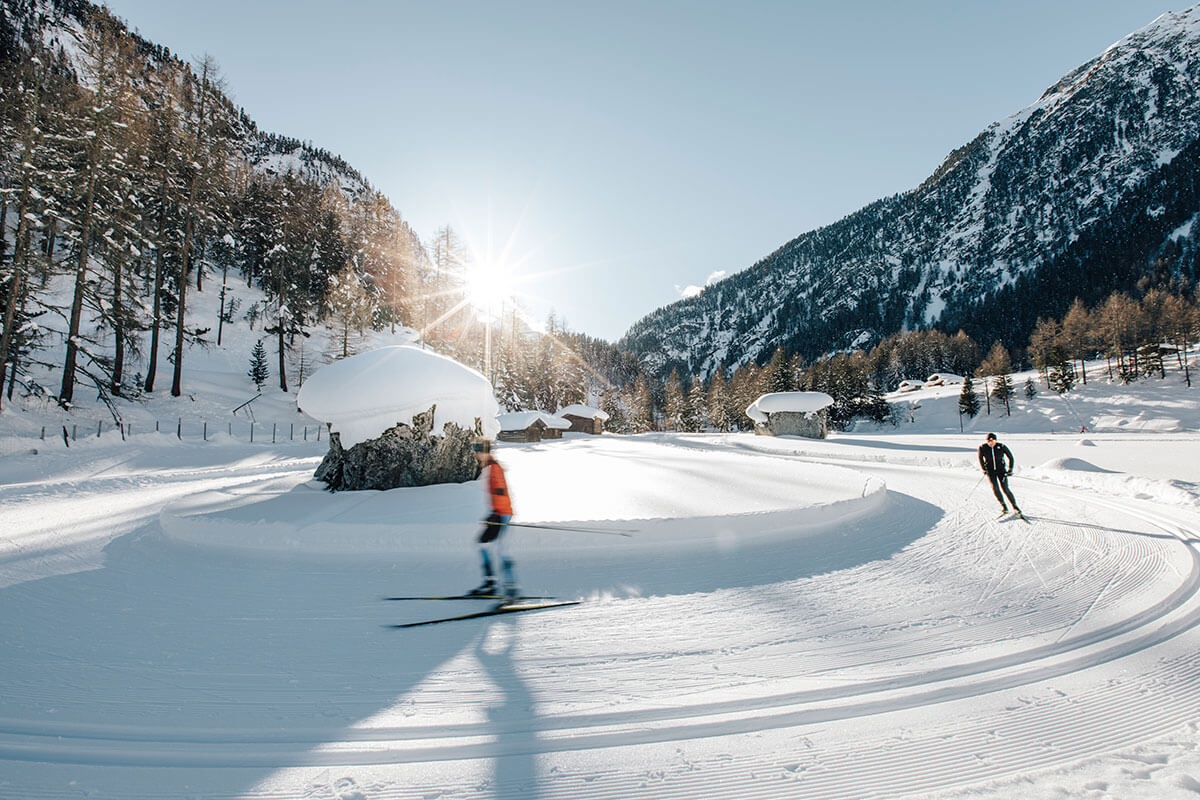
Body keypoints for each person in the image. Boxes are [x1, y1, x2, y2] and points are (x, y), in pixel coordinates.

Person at [466, 439, 519, 602]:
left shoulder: (494, 468)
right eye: (475, 451)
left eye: (478, 451)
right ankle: (491, 584)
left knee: (500, 548)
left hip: (502, 514)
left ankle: (511, 589)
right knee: (483, 543)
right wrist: (492, 514)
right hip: (498, 513)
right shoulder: (489, 466)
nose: (476, 454)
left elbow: (501, 493)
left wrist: (496, 514)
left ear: (485, 451)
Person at [978, 432, 1021, 515]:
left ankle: (1015, 506)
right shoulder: (983, 447)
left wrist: (1010, 469)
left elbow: (1011, 457)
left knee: (1005, 489)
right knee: (995, 488)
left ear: (995, 440)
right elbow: (980, 458)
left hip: (1001, 471)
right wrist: (984, 469)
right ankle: (1004, 506)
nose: (991, 442)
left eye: (992, 440)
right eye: (989, 441)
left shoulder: (1001, 446)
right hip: (990, 472)